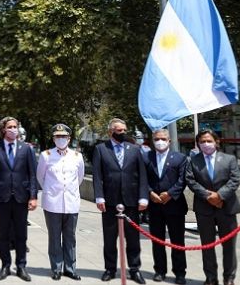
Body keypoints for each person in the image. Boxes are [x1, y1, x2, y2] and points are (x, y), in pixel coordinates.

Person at [92, 118, 149, 284]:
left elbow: (142, 175)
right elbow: (97, 175)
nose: (123, 133)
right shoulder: (101, 149)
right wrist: (99, 197)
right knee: (110, 239)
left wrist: (143, 197)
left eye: (124, 130)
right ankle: (110, 269)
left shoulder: (135, 149)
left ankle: (134, 269)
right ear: (111, 131)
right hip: (110, 201)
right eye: (119, 130)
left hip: (131, 201)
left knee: (133, 239)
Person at [0, 116, 38, 282]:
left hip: (22, 197)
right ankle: (5, 266)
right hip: (2, 198)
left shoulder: (26, 149)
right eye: (10, 127)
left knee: (21, 234)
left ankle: (21, 266)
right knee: (4, 234)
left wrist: (33, 196)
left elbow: (32, 174)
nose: (13, 129)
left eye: (15, 127)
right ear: (3, 129)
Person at [186, 130, 240, 285]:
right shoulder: (193, 161)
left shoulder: (229, 159)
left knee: (229, 246)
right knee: (207, 245)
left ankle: (229, 278)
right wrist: (208, 196)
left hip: (227, 207)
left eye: (209, 141)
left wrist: (220, 196)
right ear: (198, 144)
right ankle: (211, 278)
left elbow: (234, 180)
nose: (206, 144)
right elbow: (191, 181)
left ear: (216, 142)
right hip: (204, 209)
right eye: (202, 141)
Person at [36, 124, 85, 281]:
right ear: (53, 138)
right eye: (58, 136)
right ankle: (56, 268)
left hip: (71, 203)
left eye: (63, 136)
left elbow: (80, 177)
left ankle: (70, 269)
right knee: (55, 237)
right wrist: (50, 190)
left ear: (69, 139)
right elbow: (40, 177)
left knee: (70, 237)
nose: (61, 139)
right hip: (52, 203)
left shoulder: (77, 156)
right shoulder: (46, 155)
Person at [145, 128, 189, 284]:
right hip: (155, 205)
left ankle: (180, 273)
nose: (160, 142)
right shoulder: (146, 157)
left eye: (163, 139)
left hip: (175, 205)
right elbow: (142, 178)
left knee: (177, 241)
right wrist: (150, 193)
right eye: (157, 139)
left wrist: (170, 194)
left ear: (169, 141)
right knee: (157, 240)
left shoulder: (180, 158)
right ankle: (160, 270)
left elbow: (182, 180)